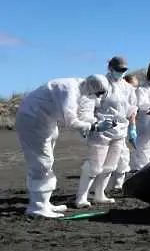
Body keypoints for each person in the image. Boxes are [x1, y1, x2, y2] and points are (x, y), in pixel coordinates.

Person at [15, 74, 114, 218]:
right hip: (33, 120)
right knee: (41, 163)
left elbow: (82, 114)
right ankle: (37, 207)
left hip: (46, 121)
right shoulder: (70, 90)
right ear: (93, 88)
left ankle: (44, 202)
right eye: (97, 93)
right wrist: (94, 127)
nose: (97, 97)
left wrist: (93, 123)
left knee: (47, 162)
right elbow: (70, 120)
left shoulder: (81, 88)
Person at [75, 56, 138, 208]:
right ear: (110, 68)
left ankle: (99, 194)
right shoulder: (101, 83)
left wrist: (132, 128)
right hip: (101, 129)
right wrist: (87, 124)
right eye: (119, 70)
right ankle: (81, 198)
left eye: (124, 70)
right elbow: (89, 104)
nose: (121, 72)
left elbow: (132, 108)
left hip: (119, 130)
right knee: (94, 165)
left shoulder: (128, 88)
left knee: (110, 165)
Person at [109, 73, 140, 192]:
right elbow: (131, 115)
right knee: (120, 157)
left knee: (121, 157)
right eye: (133, 86)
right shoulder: (119, 94)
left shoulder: (127, 95)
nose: (134, 89)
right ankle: (114, 186)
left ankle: (116, 185)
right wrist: (132, 130)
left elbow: (132, 114)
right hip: (113, 130)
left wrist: (132, 130)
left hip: (119, 129)